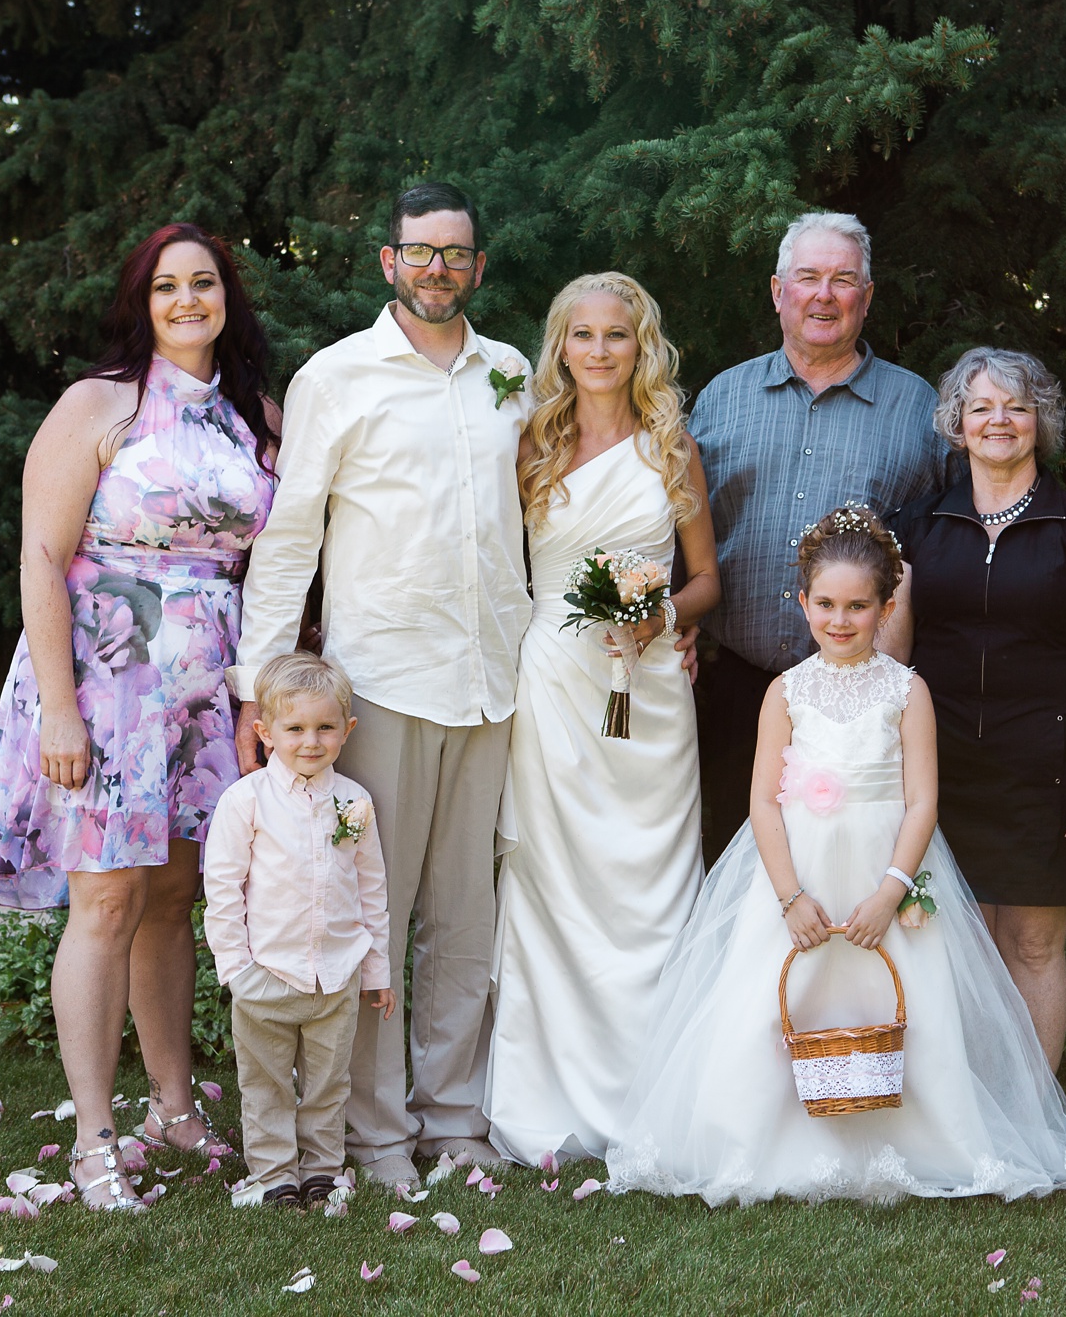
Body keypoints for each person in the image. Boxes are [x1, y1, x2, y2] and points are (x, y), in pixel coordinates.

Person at [606, 508, 1066, 1205]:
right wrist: (789, 895)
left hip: (885, 868)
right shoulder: (784, 691)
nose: (840, 620)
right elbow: (762, 803)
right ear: (802, 600)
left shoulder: (908, 690)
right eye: (826, 604)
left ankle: (915, 1137)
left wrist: (891, 890)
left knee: (904, 999)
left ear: (886, 605)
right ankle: (761, 1134)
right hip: (800, 873)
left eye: (858, 606)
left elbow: (922, 802)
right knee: (777, 998)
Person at [0, 222, 277, 1208]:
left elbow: (275, 557)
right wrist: (60, 706)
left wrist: (257, 692)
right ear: (141, 302)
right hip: (108, 683)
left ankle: (172, 1106)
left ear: (229, 295)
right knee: (105, 901)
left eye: (204, 283)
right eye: (166, 286)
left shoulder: (258, 413)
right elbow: (41, 560)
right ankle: (95, 1136)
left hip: (206, 689)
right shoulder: (99, 404)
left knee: (175, 897)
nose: (188, 300)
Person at [228, 182, 530, 1189]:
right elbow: (291, 538)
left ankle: (453, 1116)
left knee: (466, 915)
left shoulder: (512, 375)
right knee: (374, 916)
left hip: (493, 679)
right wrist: (257, 686)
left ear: (477, 267)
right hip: (385, 681)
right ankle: (380, 1131)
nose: (439, 267)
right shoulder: (337, 377)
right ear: (387, 262)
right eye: (421, 251)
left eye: (457, 252)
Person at [485, 273, 721, 1165]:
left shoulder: (673, 448)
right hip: (553, 685)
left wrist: (661, 617)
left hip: (651, 691)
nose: (597, 351)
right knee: (552, 885)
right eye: (580, 335)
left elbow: (708, 579)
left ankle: (655, 1094)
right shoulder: (530, 447)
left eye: (615, 335)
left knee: (650, 886)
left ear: (641, 346)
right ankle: (546, 1100)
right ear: (560, 346)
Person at [886, 347, 1066, 1069]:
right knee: (946, 941)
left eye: (1017, 406)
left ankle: (1036, 1126)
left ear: (1040, 422)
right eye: (981, 406)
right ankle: (963, 1120)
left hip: (1044, 766)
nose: (999, 420)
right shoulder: (917, 525)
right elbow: (894, 660)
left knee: (1030, 943)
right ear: (957, 425)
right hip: (943, 765)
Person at [689, 212, 954, 863]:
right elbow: (679, 529)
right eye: (808, 278)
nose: (824, 295)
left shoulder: (919, 410)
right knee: (731, 873)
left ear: (866, 298)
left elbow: (949, 544)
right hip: (732, 693)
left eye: (843, 280)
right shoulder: (723, 397)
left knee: (848, 870)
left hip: (858, 707)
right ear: (778, 291)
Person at [203, 653, 394, 1210]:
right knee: (265, 1083)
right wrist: (236, 967)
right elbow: (223, 889)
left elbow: (372, 890)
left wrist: (375, 970)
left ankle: (321, 1170)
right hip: (266, 970)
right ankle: (273, 1174)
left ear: (346, 730)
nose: (310, 741)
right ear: (264, 732)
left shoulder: (354, 802)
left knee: (329, 1084)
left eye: (325, 727)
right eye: (294, 728)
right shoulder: (245, 802)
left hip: (336, 973)